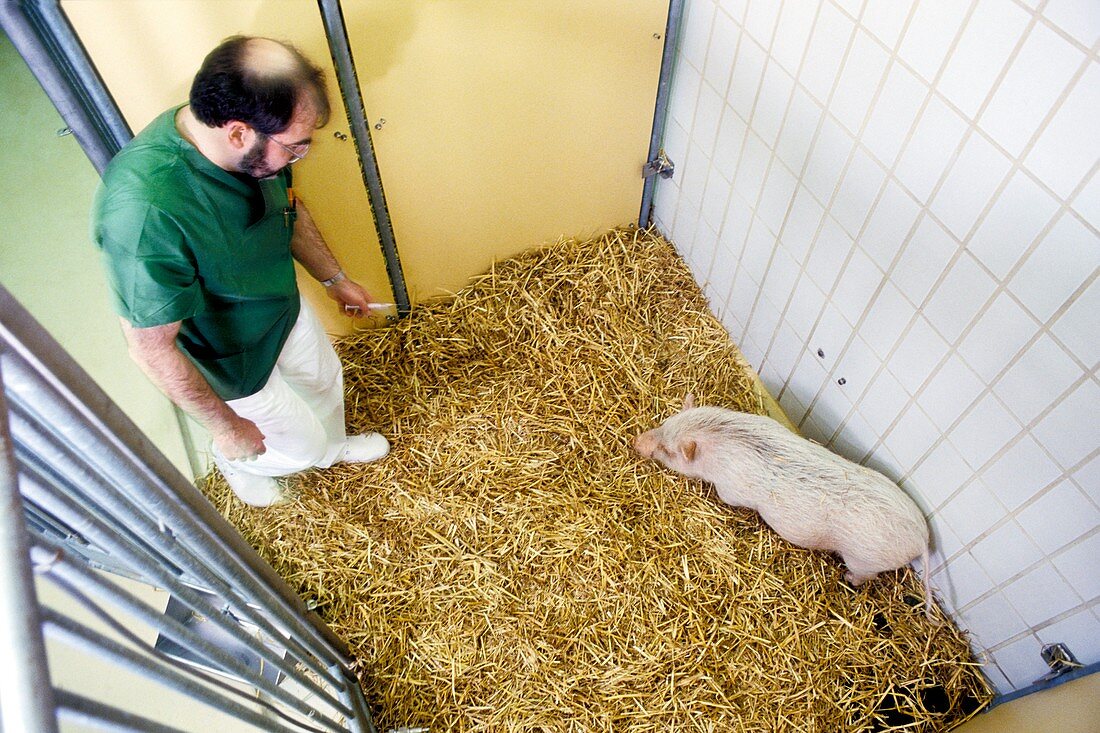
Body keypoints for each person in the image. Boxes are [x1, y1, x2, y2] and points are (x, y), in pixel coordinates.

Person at [92, 36, 389, 507]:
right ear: (236, 133)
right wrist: (225, 427)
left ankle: (331, 448)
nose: (298, 158)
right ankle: (236, 462)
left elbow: (289, 208)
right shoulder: (145, 211)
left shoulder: (252, 144)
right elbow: (149, 347)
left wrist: (334, 279)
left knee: (324, 381)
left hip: (278, 305)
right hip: (228, 354)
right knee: (297, 447)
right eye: (295, 148)